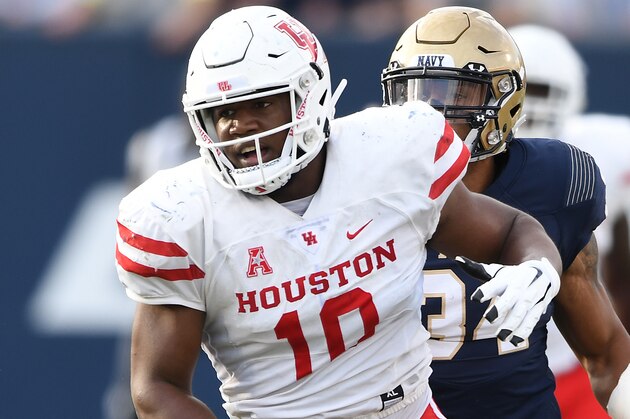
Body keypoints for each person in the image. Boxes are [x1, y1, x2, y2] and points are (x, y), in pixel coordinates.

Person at [115, 6, 566, 418]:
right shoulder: (185, 217)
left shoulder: (390, 159)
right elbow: (156, 386)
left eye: (262, 104)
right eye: (224, 112)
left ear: (308, 95)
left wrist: (538, 267)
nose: (240, 127)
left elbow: (510, 229)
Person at [380, 6, 630, 419]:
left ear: (502, 99)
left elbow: (604, 353)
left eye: (454, 94)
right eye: (416, 91)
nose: (429, 111)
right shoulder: (362, 185)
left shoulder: (553, 184)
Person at [508, 23, 630, 419]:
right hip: (470, 374)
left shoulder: (602, 152)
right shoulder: (447, 159)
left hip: (574, 369)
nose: (533, 107)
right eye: (527, 90)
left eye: (546, 92)